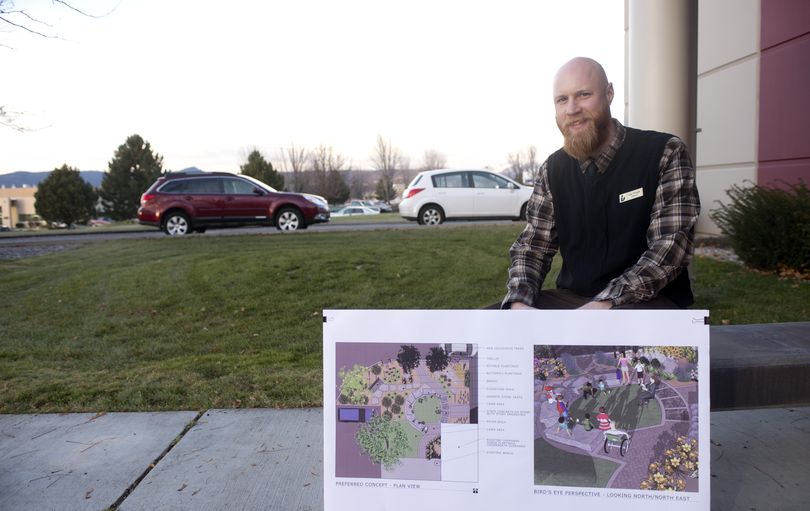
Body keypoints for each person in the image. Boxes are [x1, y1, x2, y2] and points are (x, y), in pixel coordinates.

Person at [502, 57, 700, 310]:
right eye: (562, 99)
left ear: (609, 93)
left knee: (598, 348)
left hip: (647, 301)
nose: (572, 109)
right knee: (485, 331)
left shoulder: (664, 152)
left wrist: (605, 303)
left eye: (583, 94)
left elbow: (671, 247)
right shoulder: (552, 169)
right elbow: (533, 247)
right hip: (574, 301)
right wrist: (519, 302)